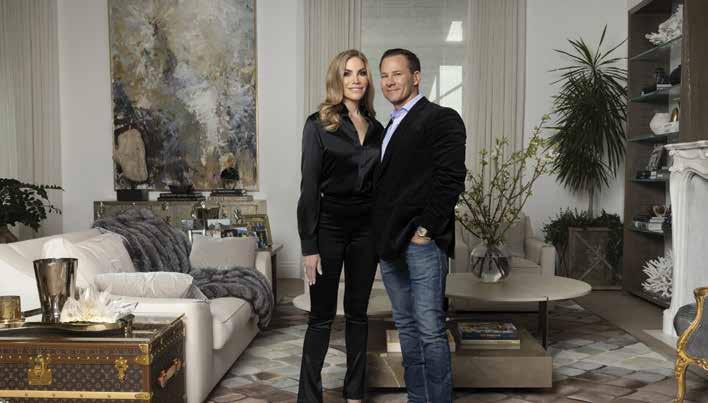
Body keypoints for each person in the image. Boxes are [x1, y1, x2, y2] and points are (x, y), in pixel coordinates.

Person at [372, 48, 466, 403]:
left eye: (397, 73)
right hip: (389, 244)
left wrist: (425, 231)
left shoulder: (441, 118)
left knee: (429, 330)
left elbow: (451, 179)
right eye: (384, 75)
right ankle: (417, 397)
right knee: (407, 328)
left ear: (415, 77)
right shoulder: (388, 126)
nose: (389, 81)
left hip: (420, 243)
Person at [296, 49, 384, 403]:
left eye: (362, 72)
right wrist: (309, 246)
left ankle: (355, 393)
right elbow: (309, 187)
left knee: (359, 314)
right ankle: (308, 397)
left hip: (367, 231)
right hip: (328, 226)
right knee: (321, 316)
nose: (356, 79)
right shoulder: (318, 124)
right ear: (337, 79)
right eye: (348, 73)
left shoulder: (377, 128)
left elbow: (383, 186)